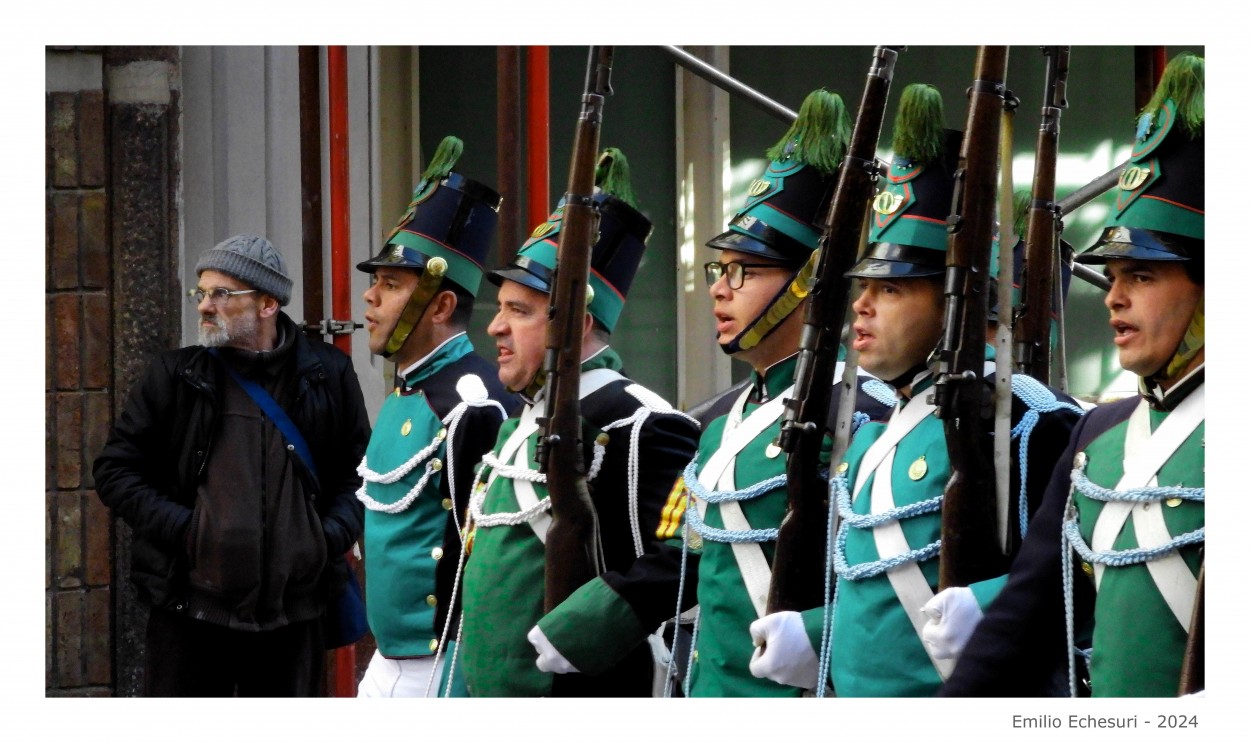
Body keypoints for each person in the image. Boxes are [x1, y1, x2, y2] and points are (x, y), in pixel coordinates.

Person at [528, 90, 894, 697]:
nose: (720, 291)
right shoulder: (726, 425)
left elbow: (878, 583)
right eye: (718, 271)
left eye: (743, 271)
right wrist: (593, 621)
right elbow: (688, 556)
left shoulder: (860, 411)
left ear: (808, 282)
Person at [747, 83, 1083, 697]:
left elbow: (1076, 576)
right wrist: (815, 632)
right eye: (863, 286)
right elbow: (879, 613)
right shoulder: (874, 432)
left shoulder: (1022, 416)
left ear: (955, 298)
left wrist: (991, 605)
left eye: (894, 288)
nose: (863, 306)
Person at [939, 52, 1205, 698]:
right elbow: (1020, 621)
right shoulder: (1097, 436)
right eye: (1112, 277)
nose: (1113, 297)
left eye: (1141, 276)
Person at [454, 148, 701, 697]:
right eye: (501, 307)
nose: (495, 326)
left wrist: (585, 631)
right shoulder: (520, 420)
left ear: (577, 323)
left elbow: (684, 552)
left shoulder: (638, 421)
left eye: (520, 311)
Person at [93, 234, 371, 696]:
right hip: (190, 610)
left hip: (294, 613)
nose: (204, 306)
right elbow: (115, 470)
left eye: (221, 294)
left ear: (267, 304)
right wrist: (187, 529)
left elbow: (360, 474)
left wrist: (324, 538)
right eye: (200, 293)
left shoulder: (327, 373)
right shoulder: (175, 376)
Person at [352, 136, 520, 697]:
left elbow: (490, 547)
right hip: (390, 656)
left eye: (391, 285)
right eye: (375, 282)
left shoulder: (473, 399)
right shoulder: (411, 388)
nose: (370, 299)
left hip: (444, 656)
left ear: (442, 305)